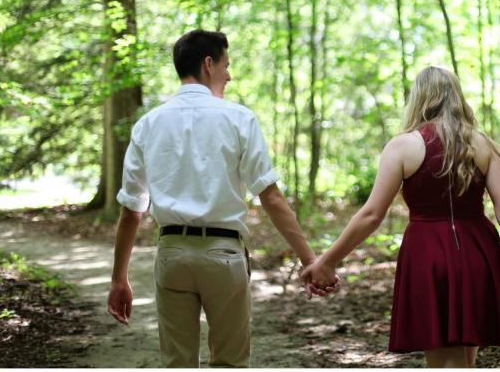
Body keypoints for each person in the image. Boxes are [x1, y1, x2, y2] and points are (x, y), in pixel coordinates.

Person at [107, 29, 336, 368]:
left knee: (177, 363)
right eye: (226, 65)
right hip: (224, 256)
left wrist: (119, 279)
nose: (229, 75)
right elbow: (270, 197)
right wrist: (309, 261)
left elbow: (131, 211)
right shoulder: (239, 118)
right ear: (208, 63)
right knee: (230, 364)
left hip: (171, 256)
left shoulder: (148, 125)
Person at [301, 65, 500, 368]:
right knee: (463, 359)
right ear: (456, 97)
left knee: (445, 361)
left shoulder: (403, 145)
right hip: (478, 252)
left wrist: (327, 260)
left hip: (428, 255)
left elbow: (371, 214)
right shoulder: (484, 145)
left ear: (418, 99)